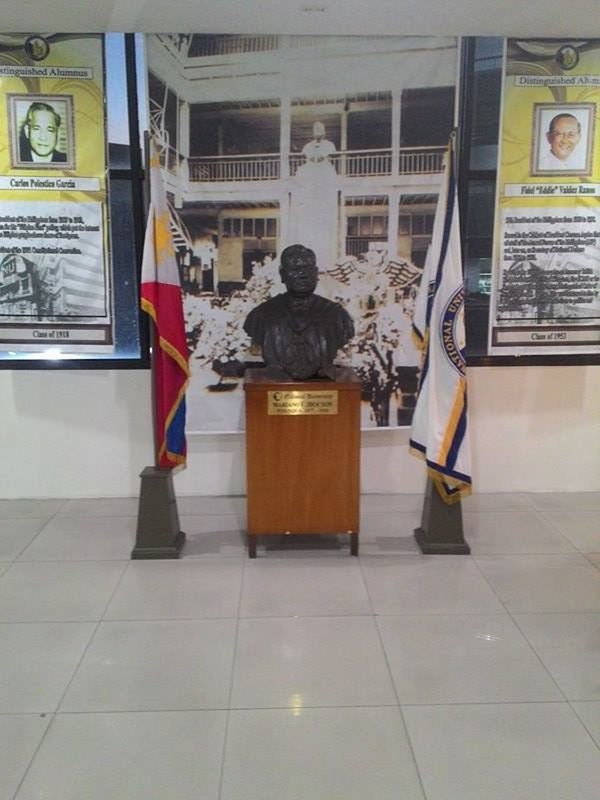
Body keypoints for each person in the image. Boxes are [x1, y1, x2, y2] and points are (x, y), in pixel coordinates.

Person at [243, 243, 354, 380]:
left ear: (316, 272)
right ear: (282, 274)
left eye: (308, 269)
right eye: (295, 269)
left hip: (321, 391)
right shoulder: (261, 315)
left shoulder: (337, 315)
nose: (303, 275)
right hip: (277, 386)